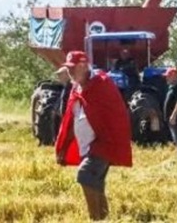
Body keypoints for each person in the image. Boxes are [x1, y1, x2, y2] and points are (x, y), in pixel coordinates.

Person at [54, 50, 132, 221]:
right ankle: (103, 218)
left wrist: (111, 140)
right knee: (96, 183)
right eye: (68, 69)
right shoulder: (77, 88)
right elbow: (71, 118)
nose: (70, 72)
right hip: (87, 145)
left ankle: (94, 219)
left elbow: (116, 115)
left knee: (85, 175)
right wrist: (64, 146)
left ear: (83, 66)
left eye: (73, 68)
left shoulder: (101, 84)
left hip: (103, 143)